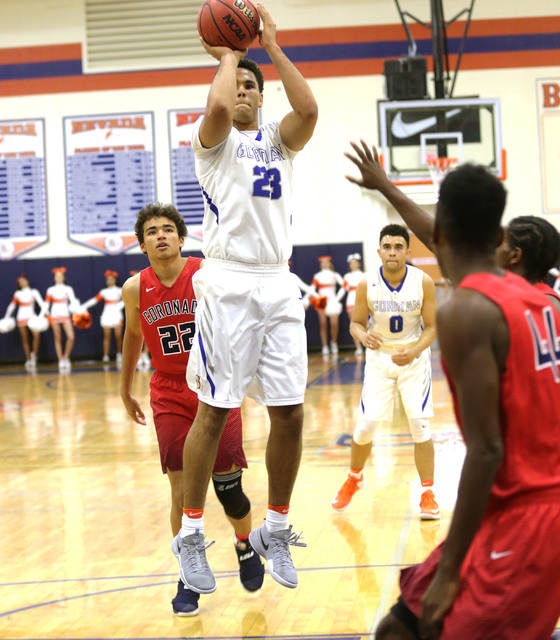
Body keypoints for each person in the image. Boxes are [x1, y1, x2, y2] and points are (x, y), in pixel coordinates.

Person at [347, 147, 560, 638]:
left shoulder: (468, 311)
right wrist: (384, 187)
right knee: (396, 630)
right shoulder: (539, 300)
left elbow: (485, 450)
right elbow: (434, 230)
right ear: (500, 237)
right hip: (505, 507)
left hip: (529, 515)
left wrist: (449, 571)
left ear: (441, 236)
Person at [177, 2, 318, 595]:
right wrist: (229, 53)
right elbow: (214, 106)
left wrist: (270, 46)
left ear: (261, 99)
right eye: (234, 86)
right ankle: (188, 536)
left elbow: (308, 109)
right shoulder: (211, 146)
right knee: (215, 410)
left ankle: (276, 527)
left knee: (290, 410)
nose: (239, 91)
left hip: (280, 282)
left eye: (249, 87)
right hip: (229, 282)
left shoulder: (279, 144)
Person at [120, 203, 264, 617]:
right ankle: (188, 574)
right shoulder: (135, 288)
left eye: (168, 229)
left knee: (228, 490)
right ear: (142, 243)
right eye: (152, 231)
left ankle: (244, 544)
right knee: (182, 491)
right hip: (167, 391)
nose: (161, 235)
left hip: (214, 386)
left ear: (182, 239)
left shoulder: (206, 272)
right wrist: (125, 388)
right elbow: (133, 337)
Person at [344, 141, 560, 312]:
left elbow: (437, 238)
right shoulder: (538, 300)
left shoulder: (499, 308)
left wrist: (385, 186)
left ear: (514, 255)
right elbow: (434, 236)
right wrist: (385, 186)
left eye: (503, 242)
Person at [331, 224, 439, 520]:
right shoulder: (367, 283)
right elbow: (355, 323)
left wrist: (415, 350)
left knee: (420, 425)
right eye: (387, 247)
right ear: (379, 250)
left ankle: (428, 493)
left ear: (407, 250)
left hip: (413, 359)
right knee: (365, 428)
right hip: (379, 360)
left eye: (398, 247)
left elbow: (431, 328)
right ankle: (355, 477)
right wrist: (362, 336)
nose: (392, 252)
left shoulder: (424, 281)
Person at [81, 270, 124, 364]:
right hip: (107, 314)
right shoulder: (104, 292)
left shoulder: (119, 290)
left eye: (112, 279)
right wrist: (84, 306)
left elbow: (126, 299)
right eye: (108, 279)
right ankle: (106, 356)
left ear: (114, 280)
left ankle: (119, 354)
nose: (110, 281)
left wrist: (119, 305)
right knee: (107, 336)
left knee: (118, 336)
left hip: (117, 313)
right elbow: (95, 300)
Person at [3, 274, 44, 368]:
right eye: (20, 282)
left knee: (36, 336)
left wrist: (43, 315)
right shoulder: (18, 294)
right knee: (25, 339)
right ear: (19, 285)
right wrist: (6, 318)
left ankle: (34, 355)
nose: (23, 283)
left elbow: (42, 304)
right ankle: (28, 358)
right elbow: (11, 306)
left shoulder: (34, 292)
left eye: (24, 281)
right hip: (21, 318)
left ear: (27, 281)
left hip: (32, 317)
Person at [43, 267, 79, 371]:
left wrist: (78, 311)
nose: (58, 278)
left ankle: (66, 357)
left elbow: (73, 301)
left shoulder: (68, 289)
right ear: (54, 278)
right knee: (57, 338)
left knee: (71, 337)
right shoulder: (51, 290)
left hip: (65, 314)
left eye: (60, 276)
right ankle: (60, 360)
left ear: (63, 277)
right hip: (54, 315)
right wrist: (43, 315)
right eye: (56, 276)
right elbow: (46, 303)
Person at [311, 255, 343, 358]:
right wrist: (307, 298)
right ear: (321, 264)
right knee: (323, 323)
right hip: (321, 300)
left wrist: (337, 299)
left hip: (332, 300)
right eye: (323, 262)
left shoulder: (334, 275)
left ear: (329, 263)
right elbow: (312, 288)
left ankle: (334, 342)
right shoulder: (317, 276)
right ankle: (324, 345)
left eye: (326, 262)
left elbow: (344, 285)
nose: (324, 264)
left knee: (334, 323)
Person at [336, 253, 365, 357]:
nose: (352, 265)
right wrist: (335, 300)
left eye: (354, 263)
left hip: (362, 300)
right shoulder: (347, 277)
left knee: (365, 324)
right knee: (354, 324)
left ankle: (367, 345)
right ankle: (358, 347)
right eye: (351, 263)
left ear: (358, 264)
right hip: (350, 301)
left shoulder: (364, 275)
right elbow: (343, 290)